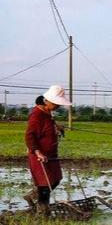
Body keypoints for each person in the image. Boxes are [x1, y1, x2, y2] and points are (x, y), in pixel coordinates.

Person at [24, 85, 71, 214]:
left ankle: (32, 196)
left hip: (51, 155)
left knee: (56, 178)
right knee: (45, 184)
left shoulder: (47, 113)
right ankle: (43, 212)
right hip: (40, 155)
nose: (58, 106)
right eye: (56, 103)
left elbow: (47, 125)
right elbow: (30, 135)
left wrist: (57, 126)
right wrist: (37, 152)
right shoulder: (36, 115)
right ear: (47, 101)